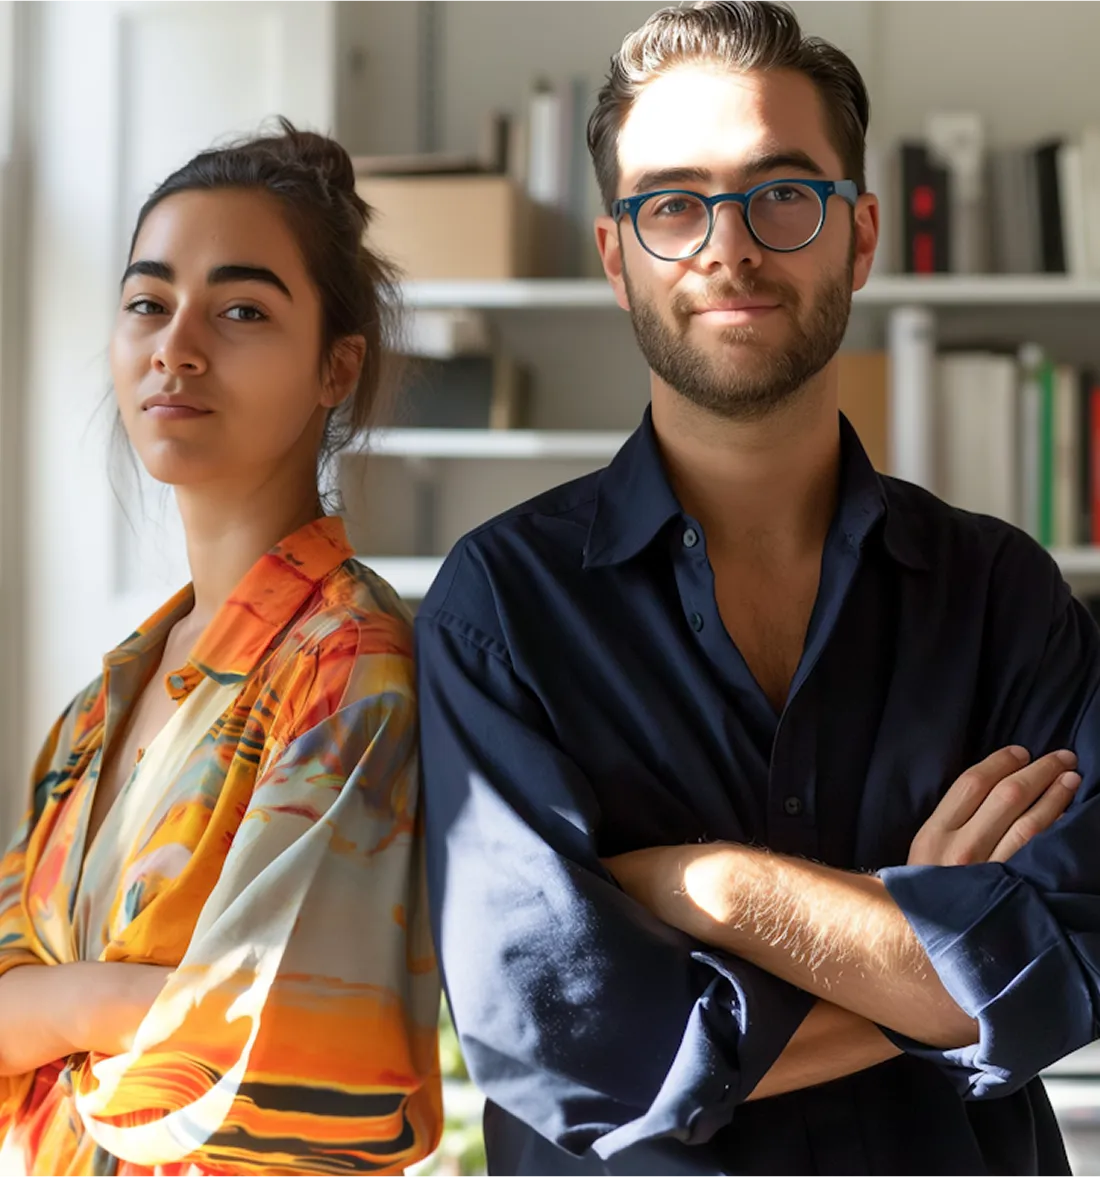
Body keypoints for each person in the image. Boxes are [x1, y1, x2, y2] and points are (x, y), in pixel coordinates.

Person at [415, 2, 1100, 1174]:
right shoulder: (500, 607)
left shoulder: (1001, 593)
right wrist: (937, 958)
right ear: (615, 256)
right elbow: (569, 1048)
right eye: (671, 204)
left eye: (782, 196)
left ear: (860, 235)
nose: (726, 247)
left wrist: (707, 883)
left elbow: (1074, 964)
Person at [0, 122, 441, 1176]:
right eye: (148, 303)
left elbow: (299, 1057)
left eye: (241, 310)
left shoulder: (351, 667)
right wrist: (123, 1003)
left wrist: (59, 1008)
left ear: (337, 366)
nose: (176, 345)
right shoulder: (105, 697)